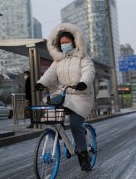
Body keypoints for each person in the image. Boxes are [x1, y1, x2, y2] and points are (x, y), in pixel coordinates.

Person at [34, 23, 95, 171]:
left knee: (75, 125)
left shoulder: (83, 57)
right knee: (51, 115)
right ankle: (60, 135)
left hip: (81, 96)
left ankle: (83, 154)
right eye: (62, 43)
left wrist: (83, 83)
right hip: (63, 95)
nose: (64, 45)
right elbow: (50, 74)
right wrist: (41, 83)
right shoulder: (58, 61)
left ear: (74, 42)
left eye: (67, 42)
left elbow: (89, 71)